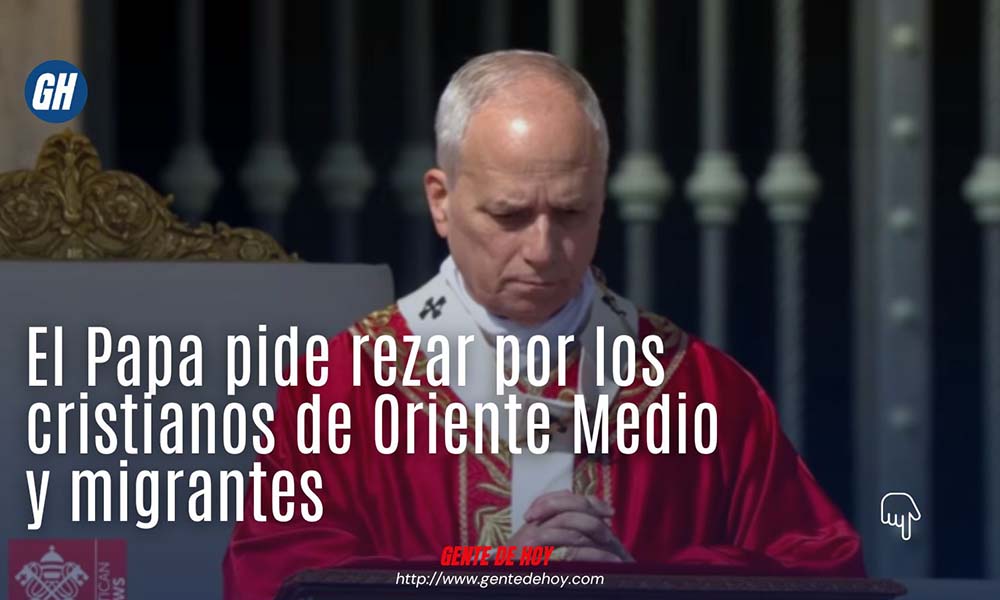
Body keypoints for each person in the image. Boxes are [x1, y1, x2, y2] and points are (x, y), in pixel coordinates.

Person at [223, 50, 864, 599]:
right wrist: (483, 575)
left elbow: (823, 569)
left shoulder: (701, 390)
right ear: (441, 201)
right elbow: (275, 579)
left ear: (602, 198)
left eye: (571, 212)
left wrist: (639, 583)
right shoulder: (345, 385)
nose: (542, 250)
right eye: (509, 215)